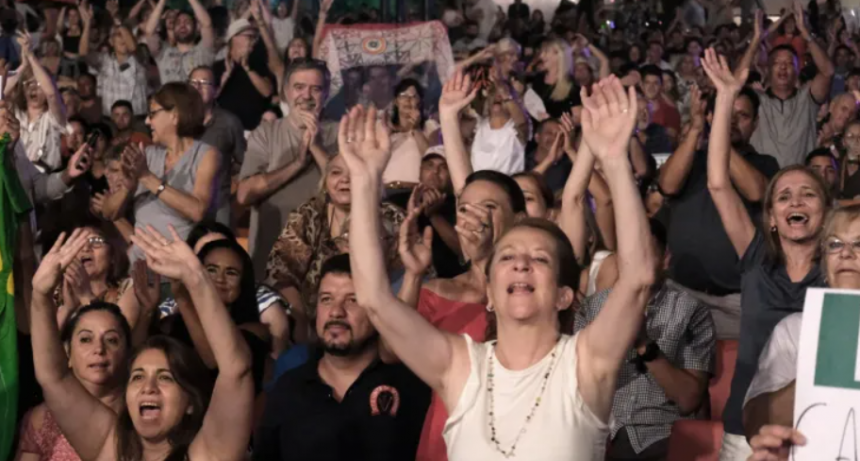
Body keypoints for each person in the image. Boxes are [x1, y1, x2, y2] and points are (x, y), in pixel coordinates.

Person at [343, 71, 657, 459]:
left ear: (564, 295)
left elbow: (638, 279)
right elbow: (374, 298)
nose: (521, 263)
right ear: (489, 293)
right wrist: (364, 181)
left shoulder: (586, 364)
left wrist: (614, 160)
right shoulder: (460, 368)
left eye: (539, 258)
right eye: (507, 257)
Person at [701, 48, 829, 461]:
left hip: (823, 433)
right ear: (771, 217)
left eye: (808, 194)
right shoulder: (756, 255)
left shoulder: (841, 268)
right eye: (785, 196)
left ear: (825, 213)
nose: (797, 201)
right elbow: (718, 183)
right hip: (747, 430)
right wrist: (724, 99)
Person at [29, 227, 254, 461]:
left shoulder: (208, 455)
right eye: (137, 377)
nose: (148, 387)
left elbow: (236, 370)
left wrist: (197, 279)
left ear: (190, 402)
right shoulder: (110, 447)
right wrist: (40, 295)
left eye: (165, 377)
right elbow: (54, 377)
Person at [253, 254, 431, 461]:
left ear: (377, 310)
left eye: (352, 300)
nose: (336, 312)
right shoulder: (289, 389)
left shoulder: (411, 383)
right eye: (326, 299)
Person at [576, 219, 715, 461]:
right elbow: (576, 389)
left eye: (645, 254)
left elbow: (688, 399)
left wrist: (644, 343)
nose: (634, 264)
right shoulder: (592, 310)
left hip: (660, 435)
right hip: (601, 434)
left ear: (665, 259)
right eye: (627, 255)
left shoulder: (691, 311)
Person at [659, 82, 778, 339]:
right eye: (727, 113)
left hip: (735, 299)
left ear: (755, 124)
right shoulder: (692, 159)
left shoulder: (764, 163)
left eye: (742, 116)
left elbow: (757, 192)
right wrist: (696, 129)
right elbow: (667, 185)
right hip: (681, 291)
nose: (732, 121)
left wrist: (718, 133)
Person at [742, 205, 860, 449]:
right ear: (825, 265)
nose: (846, 253)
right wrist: (825, 365)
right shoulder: (795, 329)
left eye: (859, 244)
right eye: (835, 244)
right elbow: (755, 422)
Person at [265, 154, 405, 331]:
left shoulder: (390, 216)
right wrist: (300, 324)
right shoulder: (310, 213)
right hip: (310, 320)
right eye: (336, 172)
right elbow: (282, 271)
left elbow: (404, 273)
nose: (344, 179)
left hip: (374, 319)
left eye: (353, 172)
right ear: (325, 182)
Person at [237, 59, 339, 276]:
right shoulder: (266, 133)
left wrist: (316, 146)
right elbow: (244, 195)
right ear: (286, 92)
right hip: (270, 257)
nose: (306, 96)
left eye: (316, 89)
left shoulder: (340, 132)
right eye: (299, 87)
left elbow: (350, 191)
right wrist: (297, 164)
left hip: (324, 260)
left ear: (326, 93)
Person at [99, 83, 224, 260]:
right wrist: (127, 188)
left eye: (153, 114)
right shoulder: (146, 155)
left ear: (174, 115)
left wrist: (147, 178)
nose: (147, 121)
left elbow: (197, 211)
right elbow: (109, 213)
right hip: (140, 265)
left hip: (181, 266)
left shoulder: (206, 155)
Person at [16, 303, 133, 461]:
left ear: (129, 353)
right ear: (67, 353)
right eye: (86, 339)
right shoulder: (42, 418)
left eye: (111, 340)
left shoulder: (140, 418)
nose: (99, 349)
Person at [739, 3, 834, 167]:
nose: (783, 67)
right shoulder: (756, 100)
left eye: (789, 63)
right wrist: (755, 41)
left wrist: (805, 34)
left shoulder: (807, 98)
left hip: (800, 179)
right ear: (768, 70)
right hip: (761, 180)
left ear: (797, 71)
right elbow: (735, 82)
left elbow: (828, 72)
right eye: (777, 63)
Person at [5, 36, 66, 172]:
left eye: (39, 84)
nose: (33, 88)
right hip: (17, 176)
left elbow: (51, 94)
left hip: (45, 178)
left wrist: (31, 56)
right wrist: (23, 65)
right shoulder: (16, 113)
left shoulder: (54, 116)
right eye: (28, 84)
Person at [79, 4, 148, 117]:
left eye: (126, 34)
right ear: (111, 41)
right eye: (118, 35)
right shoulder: (104, 60)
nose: (123, 38)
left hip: (137, 119)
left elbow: (133, 48)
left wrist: (118, 22)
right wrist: (87, 24)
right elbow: (83, 53)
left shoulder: (140, 57)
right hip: (110, 120)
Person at [213, 18, 275, 131]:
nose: (253, 41)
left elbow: (267, 92)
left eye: (255, 37)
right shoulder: (218, 67)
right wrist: (226, 76)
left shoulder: (258, 65)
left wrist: (248, 69)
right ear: (234, 38)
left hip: (254, 130)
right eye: (249, 36)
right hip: (226, 130)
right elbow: (210, 97)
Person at [144, 0, 215, 84]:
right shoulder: (164, 53)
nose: (182, 25)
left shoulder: (204, 52)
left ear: (196, 29)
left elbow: (207, 24)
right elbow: (149, 31)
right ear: (173, 29)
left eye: (187, 22)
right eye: (178, 22)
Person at [469, 77, 528, 176]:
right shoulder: (478, 126)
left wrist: (506, 95)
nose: (498, 97)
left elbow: (521, 123)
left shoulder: (515, 129)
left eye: (502, 95)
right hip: (478, 182)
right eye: (494, 94)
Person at [383, 79, 431, 189]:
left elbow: (431, 158)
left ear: (420, 101)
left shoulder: (429, 126)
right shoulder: (386, 129)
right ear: (396, 101)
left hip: (417, 189)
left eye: (413, 96)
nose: (408, 100)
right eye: (403, 95)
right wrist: (387, 133)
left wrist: (416, 129)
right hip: (388, 190)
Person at [531, 39, 581, 118]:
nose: (541, 56)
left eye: (546, 52)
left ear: (559, 55)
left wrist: (554, 121)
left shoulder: (571, 86)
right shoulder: (538, 78)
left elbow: (578, 116)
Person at [640, 64, 681, 141]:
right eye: (647, 83)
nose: (651, 87)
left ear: (660, 86)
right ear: (641, 85)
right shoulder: (632, 107)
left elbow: (673, 139)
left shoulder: (670, 110)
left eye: (655, 83)